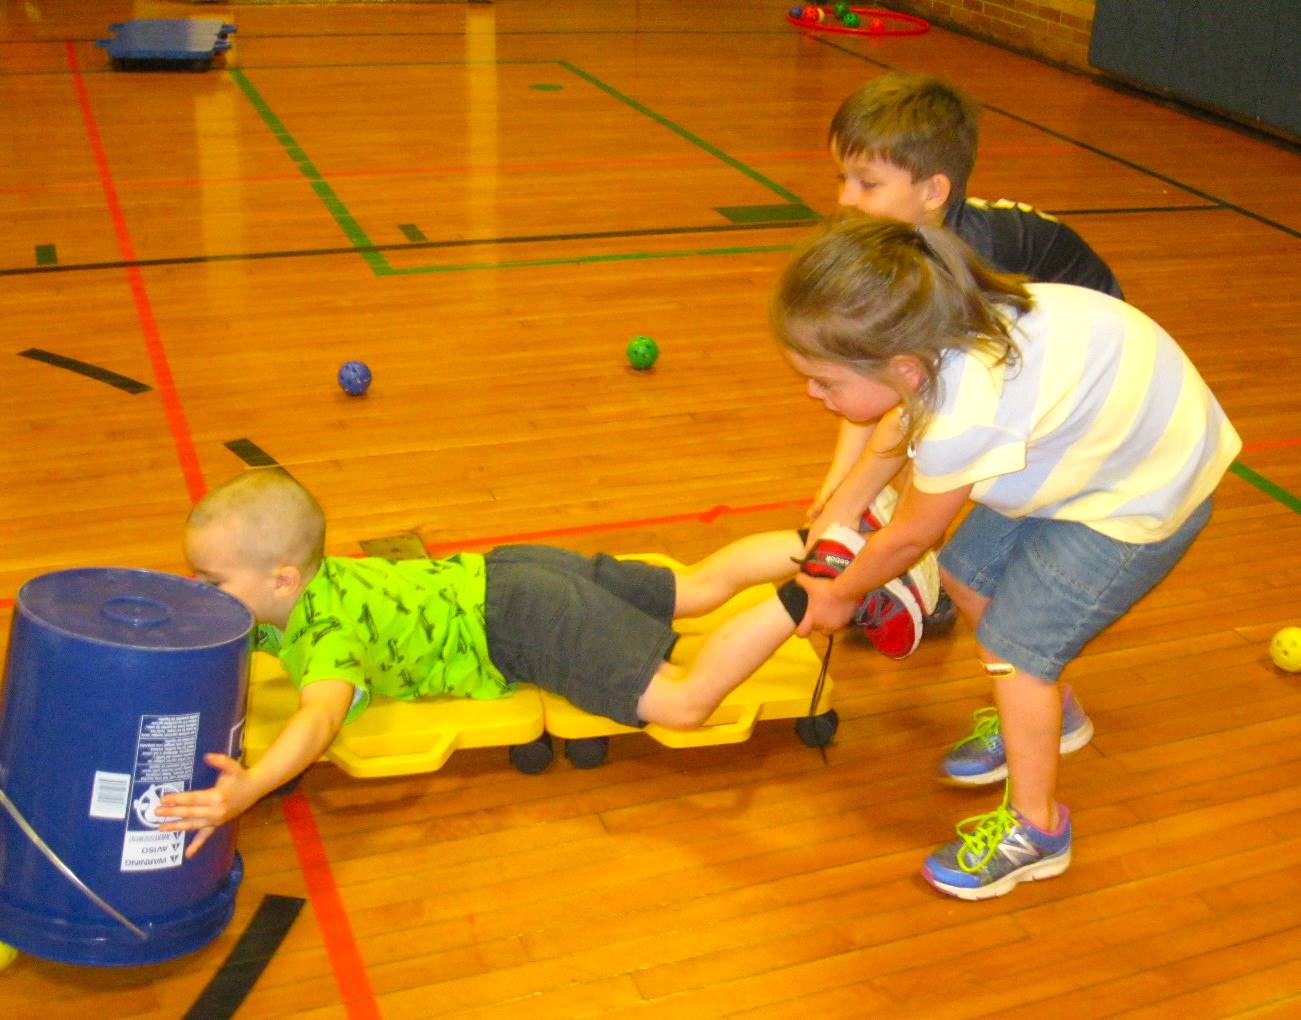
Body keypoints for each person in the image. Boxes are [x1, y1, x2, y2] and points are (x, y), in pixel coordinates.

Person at [774, 214, 1239, 899]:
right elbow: (894, 429)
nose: (811, 395)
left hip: (1141, 493)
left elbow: (909, 536)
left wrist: (839, 593)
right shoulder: (935, 339)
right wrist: (839, 512)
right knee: (968, 576)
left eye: (823, 381)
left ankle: (1038, 829)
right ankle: (1058, 716)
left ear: (900, 366)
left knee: (1015, 649)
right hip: (1092, 455)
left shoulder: (966, 409)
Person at [158, 468, 853, 857]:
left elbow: (316, 721)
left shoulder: (325, 633)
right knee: (696, 587)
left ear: (282, 580)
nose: (199, 591)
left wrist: (249, 787)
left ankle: (820, 591)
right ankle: (840, 541)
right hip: (509, 571)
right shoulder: (300, 587)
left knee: (682, 703)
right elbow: (196, 633)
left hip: (518, 622)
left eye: (210, 579)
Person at [812, 71, 1126, 781]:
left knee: (961, 512)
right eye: (841, 177)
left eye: (864, 183)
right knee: (956, 538)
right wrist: (838, 488)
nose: (842, 199)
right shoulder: (904, 250)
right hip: (1020, 352)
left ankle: (1031, 692)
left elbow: (909, 405)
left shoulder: (964, 268)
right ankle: (1016, 674)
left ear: (932, 193)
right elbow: (874, 373)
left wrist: (861, 510)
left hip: (1082, 374)